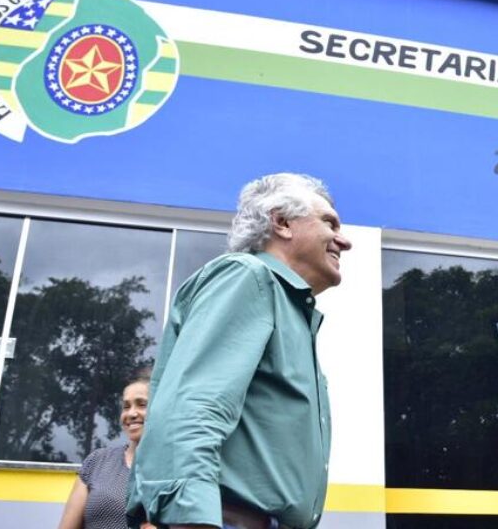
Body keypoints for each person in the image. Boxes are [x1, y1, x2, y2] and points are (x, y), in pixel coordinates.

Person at [128, 173, 352, 529]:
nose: (344, 240)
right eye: (329, 223)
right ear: (281, 222)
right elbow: (194, 403)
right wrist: (191, 516)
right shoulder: (248, 277)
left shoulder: (286, 305)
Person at [58, 370, 157, 529]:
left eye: (142, 404)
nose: (131, 413)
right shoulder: (97, 462)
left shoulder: (178, 469)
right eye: (126, 406)